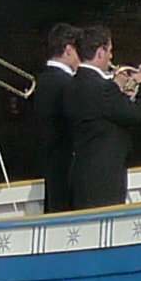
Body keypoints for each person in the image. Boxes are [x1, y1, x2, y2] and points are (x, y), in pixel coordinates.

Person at [58, 23, 141, 211]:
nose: (111, 57)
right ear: (100, 52)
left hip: (81, 173)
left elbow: (107, 111)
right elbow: (138, 115)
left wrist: (122, 87)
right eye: (109, 51)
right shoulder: (102, 89)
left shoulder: (72, 85)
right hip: (104, 178)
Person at [29, 26, 90, 211]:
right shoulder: (65, 83)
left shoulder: (45, 79)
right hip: (67, 166)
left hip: (53, 163)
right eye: (80, 51)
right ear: (69, 49)